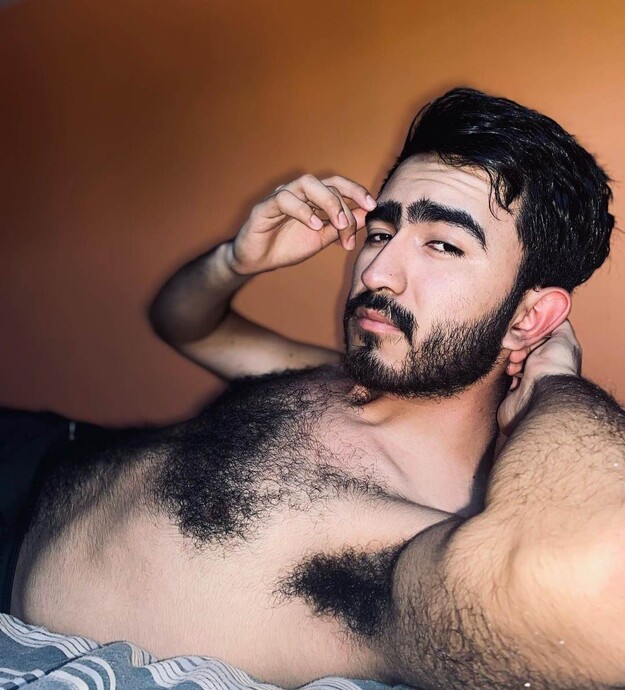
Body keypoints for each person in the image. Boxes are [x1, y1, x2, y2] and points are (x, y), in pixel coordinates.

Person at [4, 88, 618, 688]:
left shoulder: (433, 535)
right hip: (39, 451)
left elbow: (599, 583)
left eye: (442, 244)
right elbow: (184, 323)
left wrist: (556, 381)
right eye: (382, 232)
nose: (376, 273)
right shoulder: (348, 378)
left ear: (528, 318)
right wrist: (235, 261)